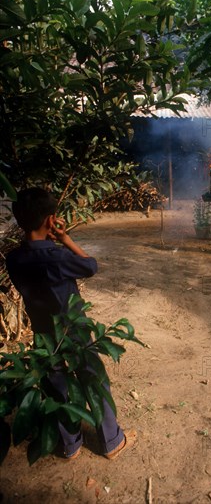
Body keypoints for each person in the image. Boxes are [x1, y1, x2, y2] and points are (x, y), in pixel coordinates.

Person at [6, 187, 136, 460]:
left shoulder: (14, 259)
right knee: (92, 378)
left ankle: (69, 445)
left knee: (56, 382)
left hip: (43, 331)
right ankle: (111, 440)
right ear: (51, 220)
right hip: (73, 326)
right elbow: (90, 266)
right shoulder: (57, 257)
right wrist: (65, 238)